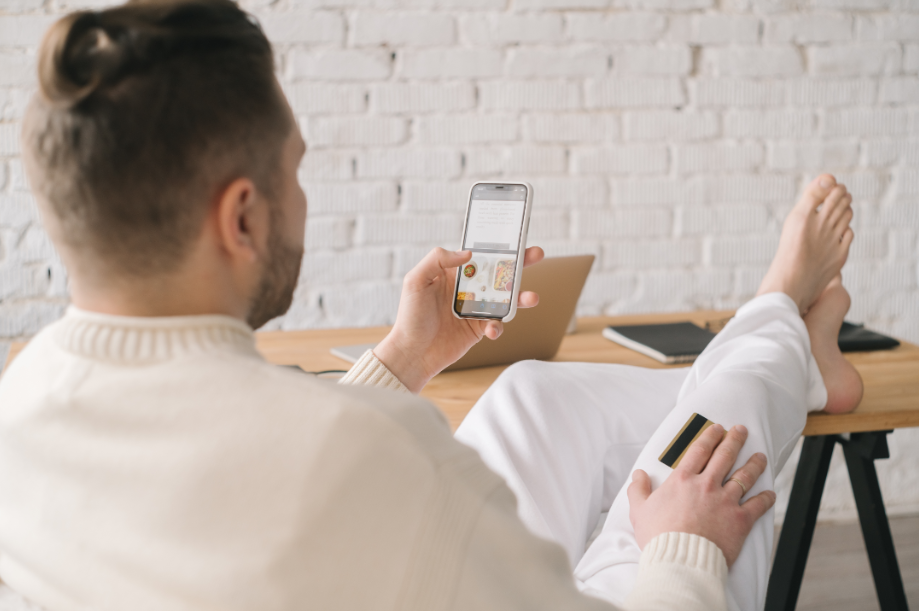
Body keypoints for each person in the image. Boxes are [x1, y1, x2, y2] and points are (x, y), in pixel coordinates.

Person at [0, 1, 861, 610]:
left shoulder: (23, 400)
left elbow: (254, 472)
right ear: (241, 216)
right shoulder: (365, 457)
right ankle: (774, 317)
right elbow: (315, 465)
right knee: (702, 468)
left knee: (529, 391)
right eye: (294, 170)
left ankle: (784, 353)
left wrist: (405, 358)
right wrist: (686, 545)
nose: (301, 197)